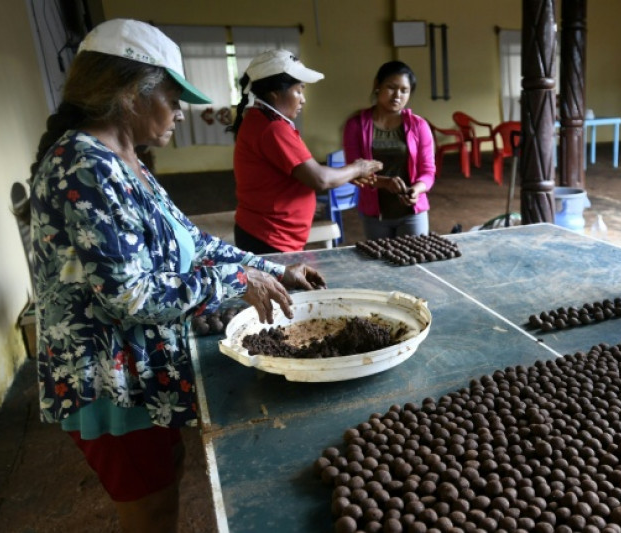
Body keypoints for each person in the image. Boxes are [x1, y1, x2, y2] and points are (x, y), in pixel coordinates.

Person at [27, 19, 325, 532]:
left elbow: (193, 243)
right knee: (151, 510)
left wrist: (271, 269)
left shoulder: (128, 161)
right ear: (129, 95)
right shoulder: (83, 167)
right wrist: (236, 283)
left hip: (149, 369)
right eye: (172, 96)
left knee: (169, 476)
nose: (181, 110)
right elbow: (132, 296)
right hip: (113, 378)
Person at [229, 49, 382, 253]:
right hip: (270, 238)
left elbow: (299, 171)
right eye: (298, 90)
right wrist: (357, 168)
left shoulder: (261, 119)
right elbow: (319, 179)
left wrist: (344, 175)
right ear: (275, 92)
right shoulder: (273, 129)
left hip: (267, 234)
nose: (303, 99)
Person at [343, 61, 436, 239]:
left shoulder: (419, 125)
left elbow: (428, 171)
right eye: (391, 87)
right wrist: (384, 182)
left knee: (413, 263)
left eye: (404, 90)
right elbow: (352, 172)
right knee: (380, 264)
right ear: (377, 85)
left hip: (412, 214)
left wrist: (416, 190)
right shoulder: (355, 125)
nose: (397, 96)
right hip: (374, 215)